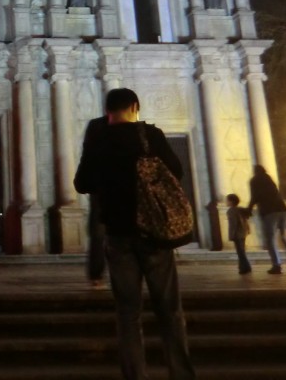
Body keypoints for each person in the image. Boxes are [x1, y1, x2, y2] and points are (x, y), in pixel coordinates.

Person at [74, 88, 196, 380]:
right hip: (154, 233)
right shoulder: (149, 135)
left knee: (128, 314)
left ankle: (135, 375)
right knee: (169, 310)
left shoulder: (99, 139)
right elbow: (176, 171)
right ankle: (181, 373)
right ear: (134, 106)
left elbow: (82, 183)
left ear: (108, 110)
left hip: (118, 234)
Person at [247, 164, 286, 274]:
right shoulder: (269, 179)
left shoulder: (254, 180)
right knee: (284, 237)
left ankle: (276, 264)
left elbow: (255, 196)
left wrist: (249, 209)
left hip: (269, 212)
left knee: (270, 239)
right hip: (282, 210)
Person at [225, 193, 252, 275]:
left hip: (237, 233)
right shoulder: (241, 210)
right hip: (243, 232)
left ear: (231, 201)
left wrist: (231, 235)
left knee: (240, 252)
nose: (226, 202)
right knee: (242, 250)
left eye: (227, 200)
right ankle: (243, 267)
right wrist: (248, 230)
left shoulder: (231, 211)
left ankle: (245, 267)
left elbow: (233, 224)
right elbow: (246, 221)